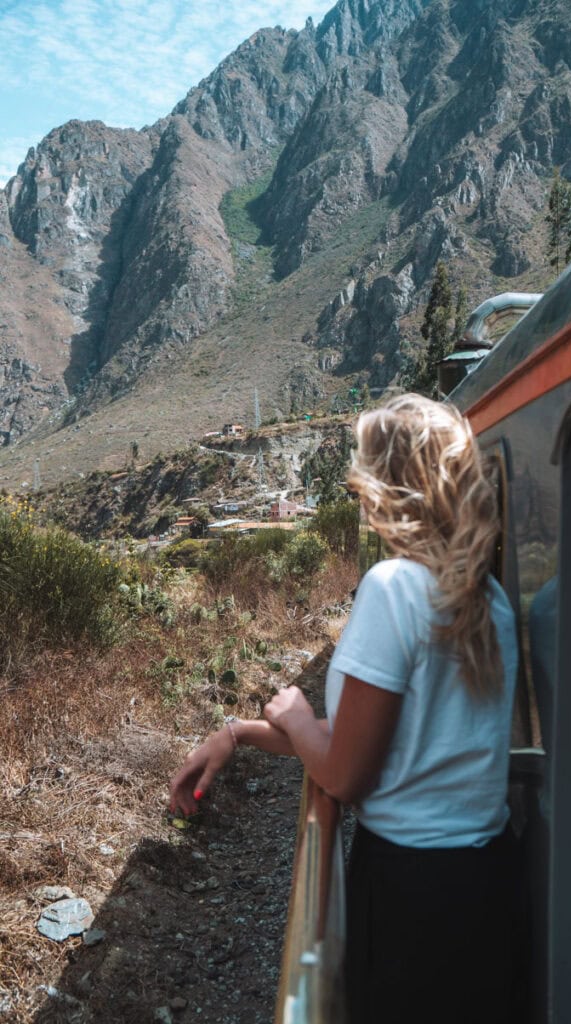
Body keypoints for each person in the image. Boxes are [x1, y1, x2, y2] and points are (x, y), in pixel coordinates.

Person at [170, 393, 520, 1023]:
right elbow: (379, 736)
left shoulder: (392, 587)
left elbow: (346, 773)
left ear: (386, 484)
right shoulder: (486, 598)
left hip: (412, 896)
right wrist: (241, 732)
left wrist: (296, 712)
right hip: (489, 884)